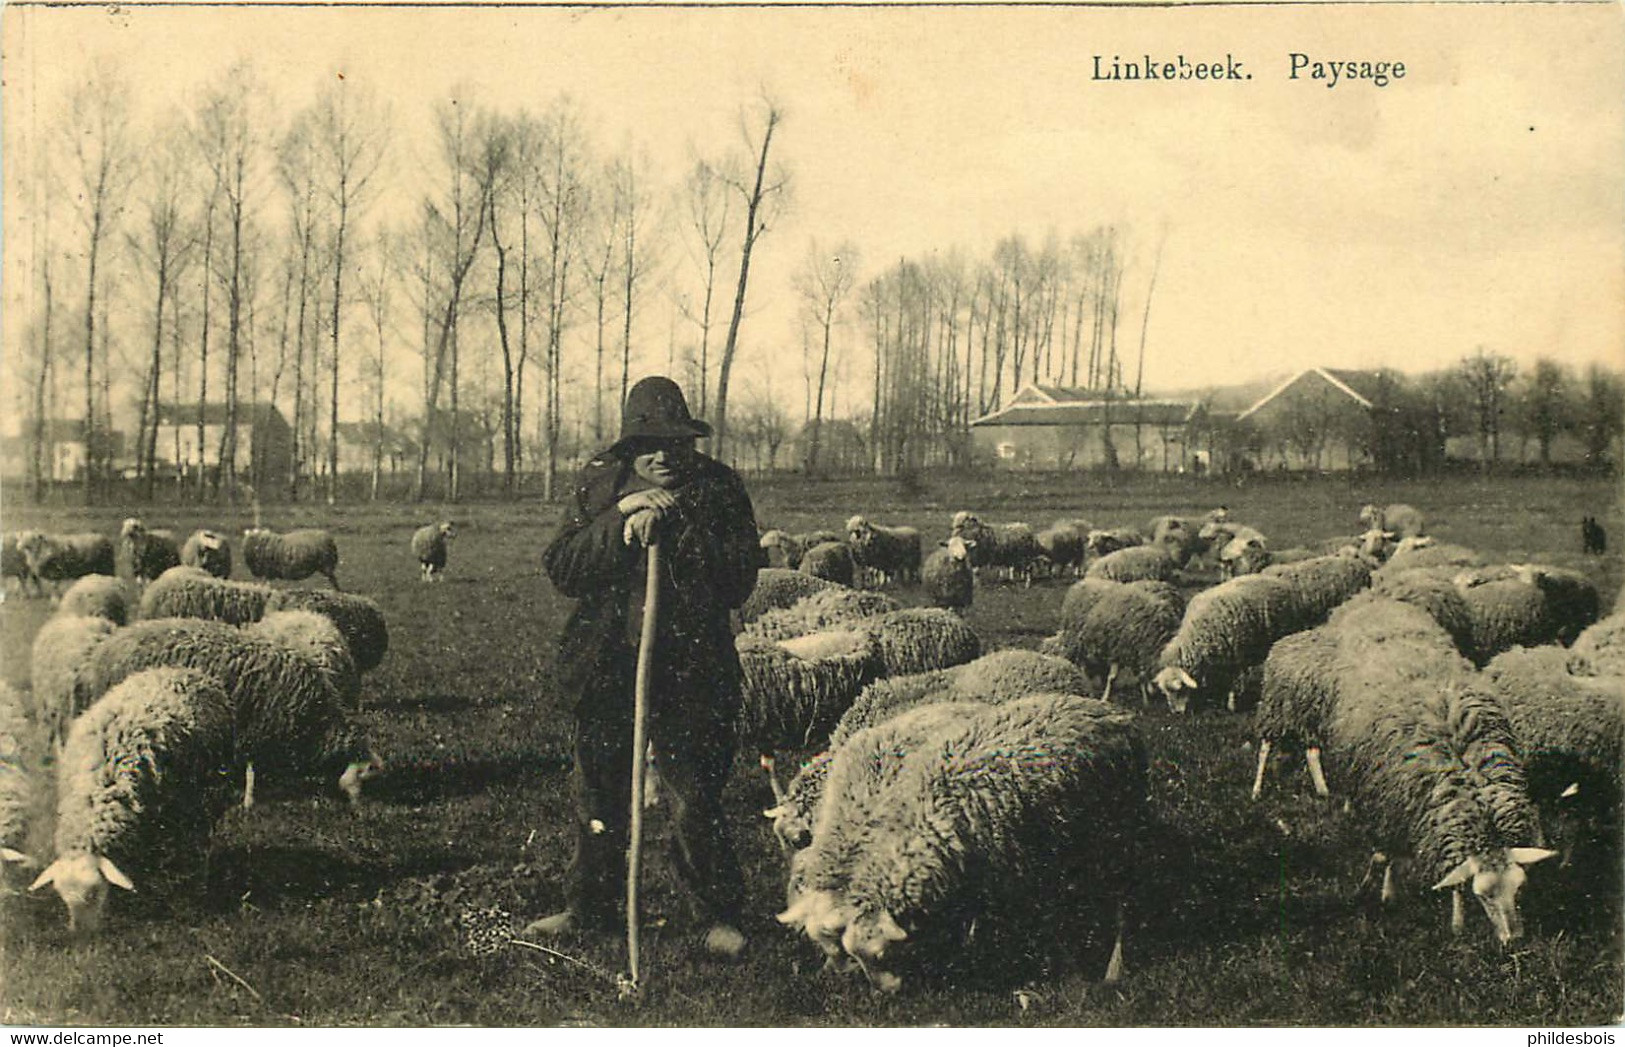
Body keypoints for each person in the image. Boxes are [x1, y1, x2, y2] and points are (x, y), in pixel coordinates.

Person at [526, 376, 765, 959]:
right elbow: (562, 568)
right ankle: (589, 907)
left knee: (693, 795)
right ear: (629, 446)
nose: (663, 454)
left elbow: (740, 579)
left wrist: (677, 528)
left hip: (692, 670)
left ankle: (716, 916)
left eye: (675, 443)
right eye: (649, 443)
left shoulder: (719, 488)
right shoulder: (597, 486)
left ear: (691, 444)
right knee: (600, 796)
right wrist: (622, 520)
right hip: (606, 665)